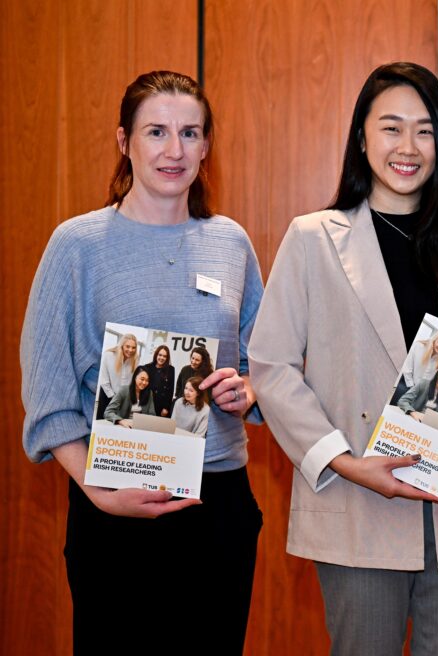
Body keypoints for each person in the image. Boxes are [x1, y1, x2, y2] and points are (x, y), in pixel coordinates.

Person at [247, 62, 438, 656]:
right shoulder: (312, 239)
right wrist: (346, 462)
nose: (408, 147)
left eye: (426, 131)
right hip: (357, 502)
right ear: (361, 137)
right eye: (391, 128)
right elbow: (272, 368)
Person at [20, 71, 264, 655]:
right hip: (115, 505)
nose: (174, 150)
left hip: (219, 505)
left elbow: (263, 364)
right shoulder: (77, 246)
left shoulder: (230, 243)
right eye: (156, 131)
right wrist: (98, 491)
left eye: (190, 133)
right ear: (124, 140)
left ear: (207, 146)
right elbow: (49, 395)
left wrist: (247, 392)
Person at [394, 330, 438, 403]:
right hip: (406, 383)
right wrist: (412, 388)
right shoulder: (418, 346)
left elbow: (432, 377)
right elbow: (407, 369)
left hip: (420, 390)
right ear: (434, 340)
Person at [96, 332, 139, 419]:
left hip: (124, 399)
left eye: (133, 348)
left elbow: (131, 382)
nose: (130, 350)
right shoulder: (108, 355)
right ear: (122, 345)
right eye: (128, 346)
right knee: (103, 424)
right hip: (107, 395)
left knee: (121, 425)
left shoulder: (135, 359)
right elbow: (104, 381)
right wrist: (114, 398)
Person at [142, 344, 176, 417]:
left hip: (161, 405)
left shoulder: (171, 369)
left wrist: (166, 408)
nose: (162, 358)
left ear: (167, 358)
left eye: (164, 356)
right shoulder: (147, 367)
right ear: (156, 355)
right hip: (148, 403)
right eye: (160, 355)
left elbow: (170, 390)